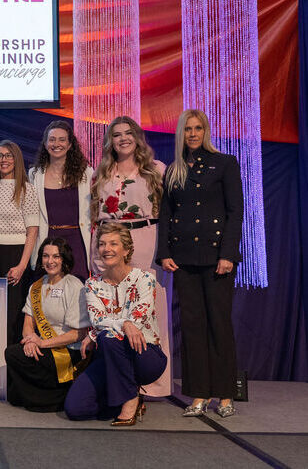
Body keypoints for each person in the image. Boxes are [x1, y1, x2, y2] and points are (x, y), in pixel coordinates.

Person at [157, 109, 243, 418]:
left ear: (205, 131)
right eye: (188, 129)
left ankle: (224, 394)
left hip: (216, 257)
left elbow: (235, 212)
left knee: (218, 323)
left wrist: (227, 255)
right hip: (183, 259)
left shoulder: (225, 164)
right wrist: (164, 253)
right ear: (181, 133)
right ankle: (198, 394)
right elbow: (166, 214)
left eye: (198, 128)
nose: (193, 134)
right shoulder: (174, 169)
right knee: (192, 326)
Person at [90, 116, 171, 397]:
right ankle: (120, 380)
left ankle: (153, 382)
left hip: (146, 238)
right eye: (116, 134)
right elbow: (94, 214)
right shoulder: (101, 172)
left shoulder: (157, 170)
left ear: (137, 137)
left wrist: (165, 251)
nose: (123, 138)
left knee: (148, 307)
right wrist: (95, 249)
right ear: (109, 141)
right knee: (114, 305)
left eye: (128, 133)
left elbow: (168, 214)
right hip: (109, 238)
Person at [64, 222, 167, 426]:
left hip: (144, 355)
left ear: (126, 249)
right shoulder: (92, 284)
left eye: (113, 243)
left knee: (107, 336)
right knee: (75, 408)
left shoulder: (145, 278)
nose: (106, 249)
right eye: (102, 244)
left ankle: (130, 400)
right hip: (110, 357)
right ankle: (124, 397)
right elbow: (97, 319)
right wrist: (123, 324)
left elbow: (139, 317)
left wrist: (96, 334)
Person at [4, 238, 89, 412]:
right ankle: (51, 394)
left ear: (64, 259)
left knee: (16, 357)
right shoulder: (37, 286)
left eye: (56, 256)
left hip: (67, 350)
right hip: (44, 346)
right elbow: (29, 320)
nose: (50, 261)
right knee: (13, 358)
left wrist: (42, 343)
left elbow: (78, 334)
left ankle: (57, 397)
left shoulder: (74, 285)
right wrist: (29, 340)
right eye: (45, 256)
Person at [0, 140, 39, 343]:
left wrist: (22, 265)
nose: (3, 159)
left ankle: (11, 363)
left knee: (13, 312)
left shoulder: (27, 189)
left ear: (16, 159)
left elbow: (32, 231)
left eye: (8, 155)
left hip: (16, 255)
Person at [28, 120, 92, 281]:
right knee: (47, 292)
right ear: (45, 143)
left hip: (77, 241)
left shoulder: (86, 173)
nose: (56, 144)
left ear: (70, 144)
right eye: (52, 139)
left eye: (62, 139)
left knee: (77, 290)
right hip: (47, 240)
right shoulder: (34, 175)